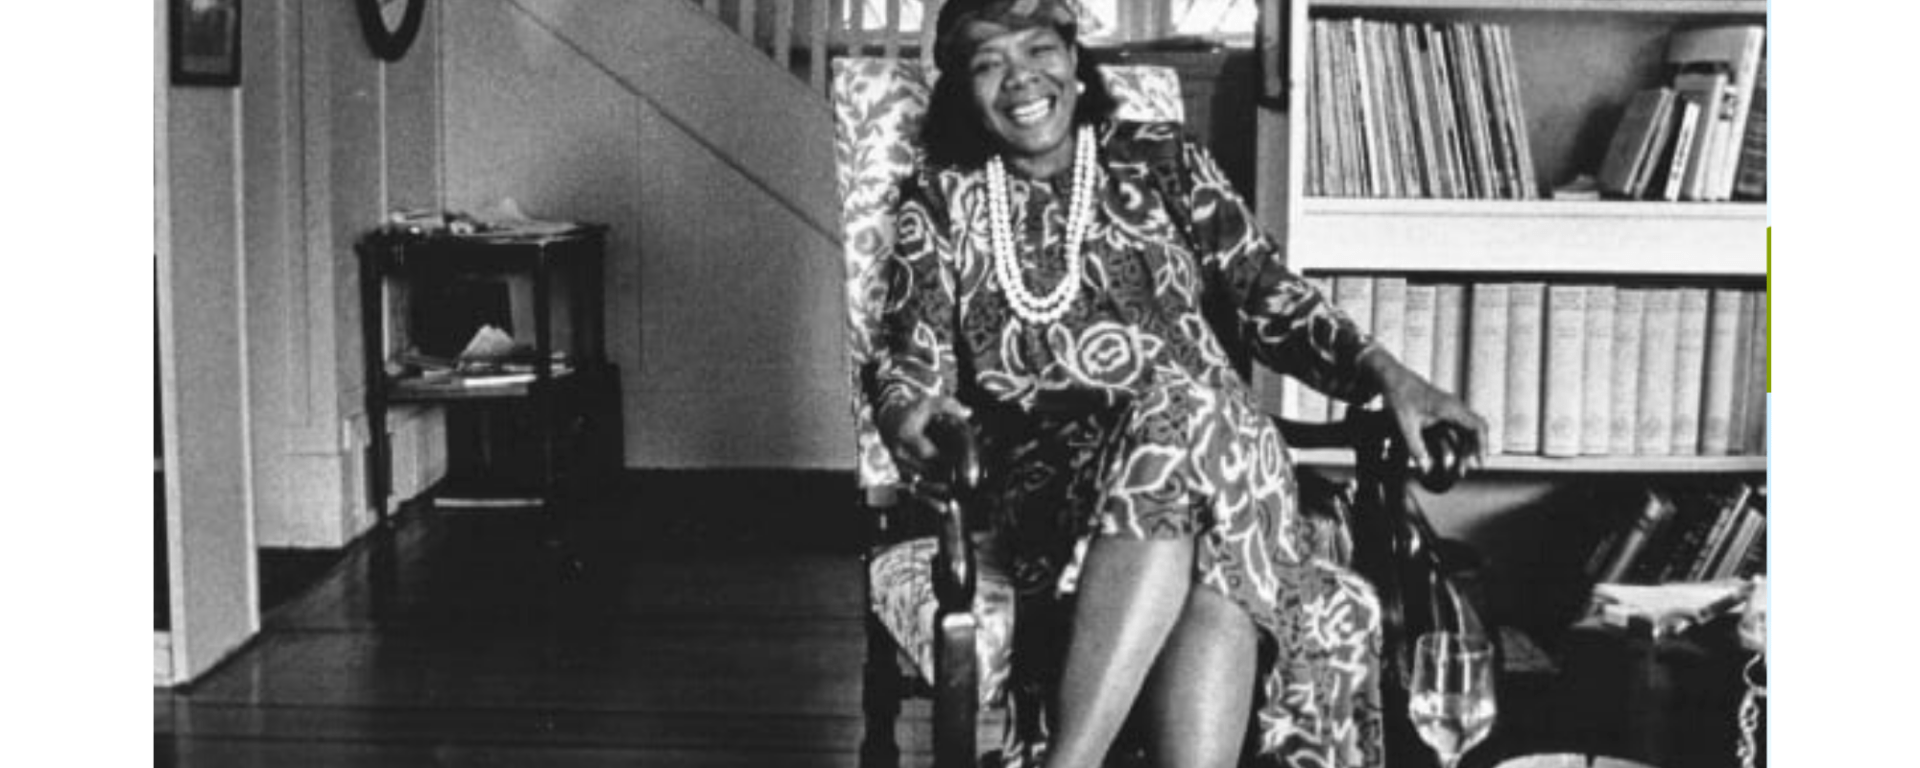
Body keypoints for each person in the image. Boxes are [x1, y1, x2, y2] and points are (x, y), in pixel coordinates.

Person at [871, 2, 1488, 766]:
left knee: (1186, 407)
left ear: (1074, 58)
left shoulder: (1163, 159)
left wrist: (1389, 375)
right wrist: (907, 411)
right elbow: (910, 355)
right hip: (1060, 488)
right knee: (1214, 582)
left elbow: (1267, 294)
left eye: (1039, 49)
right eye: (989, 62)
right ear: (962, 90)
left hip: (1229, 457)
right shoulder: (941, 199)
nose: (1021, 77)